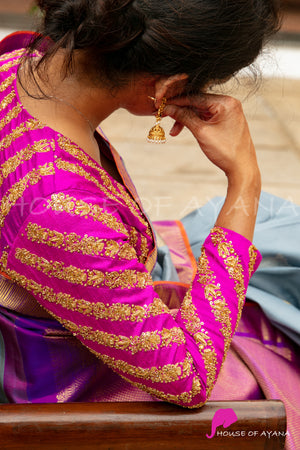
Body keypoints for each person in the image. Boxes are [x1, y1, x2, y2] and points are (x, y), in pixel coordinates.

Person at [0, 0, 299, 448]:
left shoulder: (16, 65)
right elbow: (190, 377)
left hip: (89, 284)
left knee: (280, 232)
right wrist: (244, 181)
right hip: (87, 388)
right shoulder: (59, 208)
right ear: (169, 87)